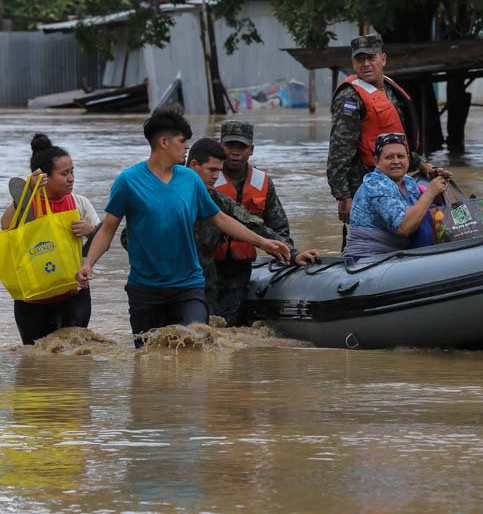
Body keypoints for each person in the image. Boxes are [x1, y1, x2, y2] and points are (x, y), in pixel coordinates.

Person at [75, 106, 291, 346]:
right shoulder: (128, 182)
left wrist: (263, 242)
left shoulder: (189, 180)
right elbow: (108, 229)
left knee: (196, 344)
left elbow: (220, 218)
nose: (187, 146)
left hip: (188, 286)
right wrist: (88, 264)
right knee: (148, 360)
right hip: (145, 289)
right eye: (182, 141)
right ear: (164, 143)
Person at [186, 138, 319, 320]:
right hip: (175, 282)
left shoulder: (214, 199)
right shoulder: (168, 194)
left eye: (218, 170)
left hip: (205, 283)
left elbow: (251, 223)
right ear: (194, 165)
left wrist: (293, 254)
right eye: (212, 170)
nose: (217, 176)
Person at [327, 32, 447, 224]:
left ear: (383, 59)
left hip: (396, 183)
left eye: (371, 58)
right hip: (366, 186)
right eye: (360, 59)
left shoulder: (390, 90)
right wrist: (343, 196)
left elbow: (396, 143)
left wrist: (424, 165)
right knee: (374, 238)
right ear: (353, 63)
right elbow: (339, 152)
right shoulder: (349, 97)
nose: (366, 64)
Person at [1, 134, 100, 345]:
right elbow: (6, 228)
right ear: (44, 177)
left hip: (73, 293)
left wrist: (91, 230)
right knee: (35, 360)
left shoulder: (78, 202)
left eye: (72, 171)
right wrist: (28, 191)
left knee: (75, 352)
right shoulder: (26, 206)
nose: (71, 178)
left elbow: (103, 238)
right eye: (64, 174)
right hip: (32, 298)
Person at [214, 120, 298, 324]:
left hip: (239, 267)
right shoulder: (205, 177)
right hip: (207, 263)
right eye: (229, 146)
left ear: (251, 149)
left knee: (229, 320)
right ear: (220, 147)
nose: (235, 152)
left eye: (241, 147)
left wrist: (291, 255)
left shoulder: (262, 182)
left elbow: (277, 226)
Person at [341, 133, 447, 260]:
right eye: (389, 157)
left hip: (397, 255)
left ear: (408, 159)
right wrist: (430, 192)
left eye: (401, 156)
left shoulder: (408, 182)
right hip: (367, 258)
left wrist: (440, 186)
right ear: (376, 161)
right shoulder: (375, 185)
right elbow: (404, 228)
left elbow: (423, 211)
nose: (396, 161)